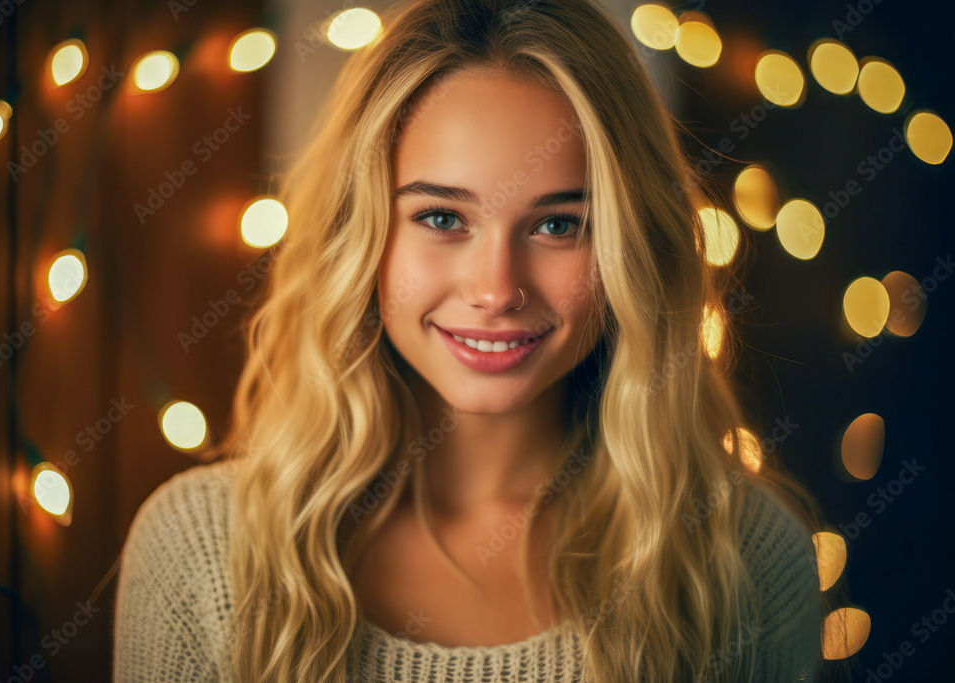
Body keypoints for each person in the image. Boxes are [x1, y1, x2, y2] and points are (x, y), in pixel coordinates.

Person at [112, 1, 829, 681]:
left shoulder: (745, 560)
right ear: (357, 234)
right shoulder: (198, 548)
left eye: (558, 224)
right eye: (441, 218)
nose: (496, 289)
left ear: (628, 247)